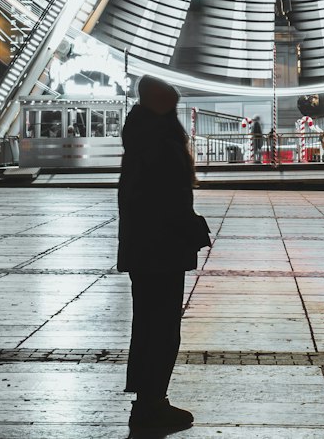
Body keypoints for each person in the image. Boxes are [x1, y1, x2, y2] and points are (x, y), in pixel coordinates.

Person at [117, 75, 211, 434]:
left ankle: (147, 400)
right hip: (162, 249)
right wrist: (192, 228)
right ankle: (152, 404)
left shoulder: (139, 138)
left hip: (143, 249)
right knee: (162, 328)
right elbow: (168, 202)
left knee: (146, 326)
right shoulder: (163, 144)